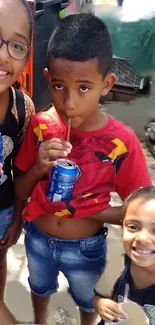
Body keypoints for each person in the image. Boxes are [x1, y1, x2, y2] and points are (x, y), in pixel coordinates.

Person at [14, 14, 151, 325]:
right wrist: (38, 168)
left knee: (88, 299)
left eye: (84, 88)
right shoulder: (41, 126)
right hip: (37, 237)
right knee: (40, 286)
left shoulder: (122, 143)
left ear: (107, 84)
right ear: (47, 78)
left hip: (86, 248)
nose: (69, 102)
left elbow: (139, 214)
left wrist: (85, 210)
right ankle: (40, 320)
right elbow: (20, 189)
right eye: (59, 86)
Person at [0, 0, 34, 322]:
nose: (3, 56)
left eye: (17, 45)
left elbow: (21, 169)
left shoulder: (23, 108)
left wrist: (17, 220)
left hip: (3, 209)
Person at [93, 186, 155, 325]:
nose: (142, 238)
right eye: (133, 227)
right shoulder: (119, 264)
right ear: (123, 227)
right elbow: (98, 297)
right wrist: (100, 304)